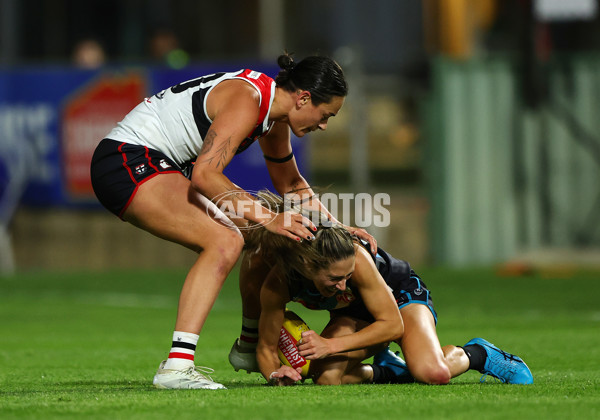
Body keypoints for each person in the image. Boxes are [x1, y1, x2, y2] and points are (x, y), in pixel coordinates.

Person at [90, 53, 375, 390]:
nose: (324, 124)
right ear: (304, 98)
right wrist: (269, 217)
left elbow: (292, 185)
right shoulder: (249, 98)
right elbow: (205, 175)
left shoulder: (273, 113)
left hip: (155, 163)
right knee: (225, 240)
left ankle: (248, 345)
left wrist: (337, 229)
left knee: (268, 236)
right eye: (325, 114)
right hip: (129, 159)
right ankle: (177, 367)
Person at [229, 194, 534, 386]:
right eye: (334, 280)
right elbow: (266, 349)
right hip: (356, 315)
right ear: (307, 268)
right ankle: (392, 369)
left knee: (433, 374)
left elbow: (391, 325)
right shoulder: (278, 283)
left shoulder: (358, 260)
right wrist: (275, 375)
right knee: (325, 378)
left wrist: (329, 346)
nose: (344, 286)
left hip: (399, 298)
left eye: (347, 276)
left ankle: (478, 353)